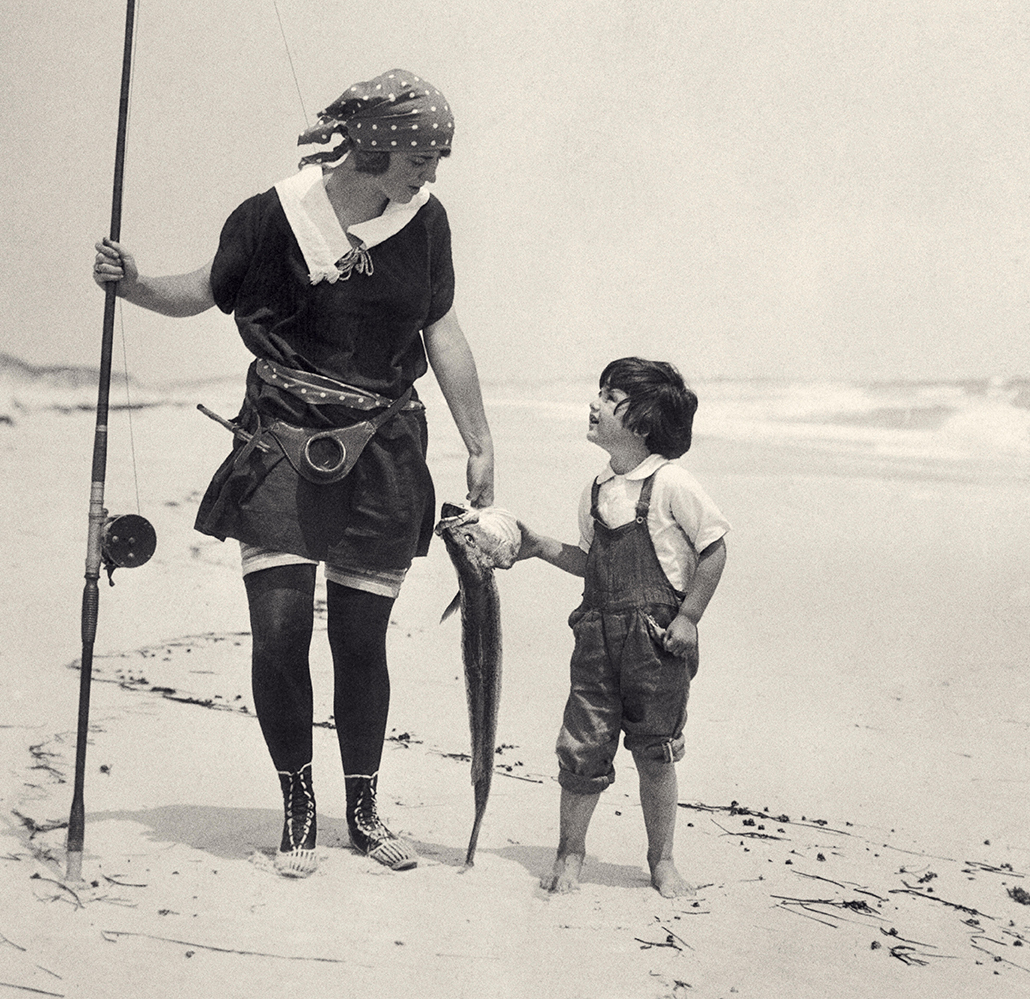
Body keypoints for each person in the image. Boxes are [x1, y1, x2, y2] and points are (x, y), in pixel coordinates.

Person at [93, 69, 494, 877]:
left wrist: (478, 439)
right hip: (280, 439)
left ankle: (365, 807)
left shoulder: (427, 223)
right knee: (279, 637)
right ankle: (298, 804)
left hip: (384, 449)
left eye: (439, 161)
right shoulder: (270, 216)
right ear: (377, 144)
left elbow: (441, 330)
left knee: (360, 641)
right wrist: (133, 285)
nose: (431, 175)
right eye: (423, 157)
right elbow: (201, 292)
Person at [515, 358, 728, 898]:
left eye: (609, 397)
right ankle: (570, 853)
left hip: (658, 643)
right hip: (595, 638)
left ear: (643, 420)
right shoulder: (596, 489)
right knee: (581, 749)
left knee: (654, 752)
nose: (594, 404)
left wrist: (689, 617)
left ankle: (661, 860)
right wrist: (539, 546)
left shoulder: (672, 482)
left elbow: (714, 548)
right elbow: (590, 560)